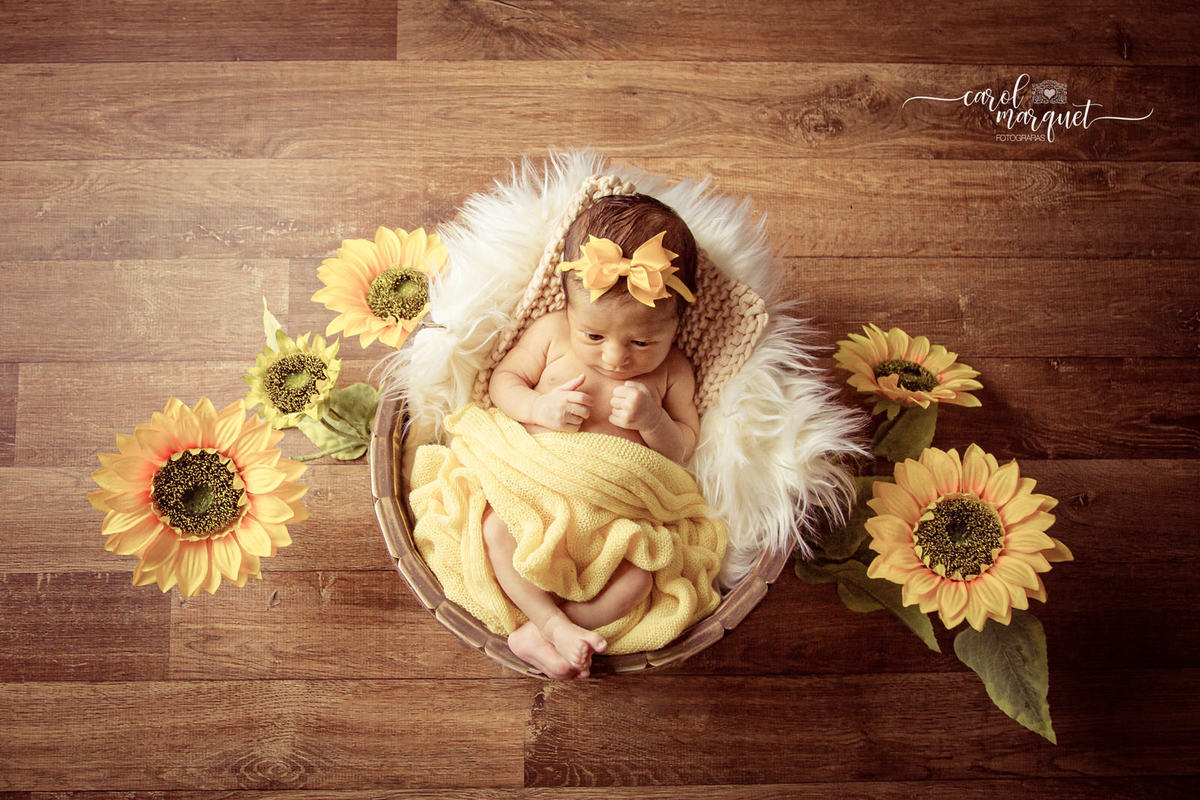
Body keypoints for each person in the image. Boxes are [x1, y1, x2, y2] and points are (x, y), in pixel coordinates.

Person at [483, 194, 702, 679]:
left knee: (640, 580)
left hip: (612, 513)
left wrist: (653, 421)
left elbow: (685, 447)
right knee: (497, 529)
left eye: (643, 342)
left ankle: (556, 629)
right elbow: (502, 383)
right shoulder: (550, 333)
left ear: (676, 326)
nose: (615, 359)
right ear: (568, 307)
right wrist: (539, 407)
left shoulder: (674, 372)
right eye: (594, 336)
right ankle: (551, 624)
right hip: (536, 485)